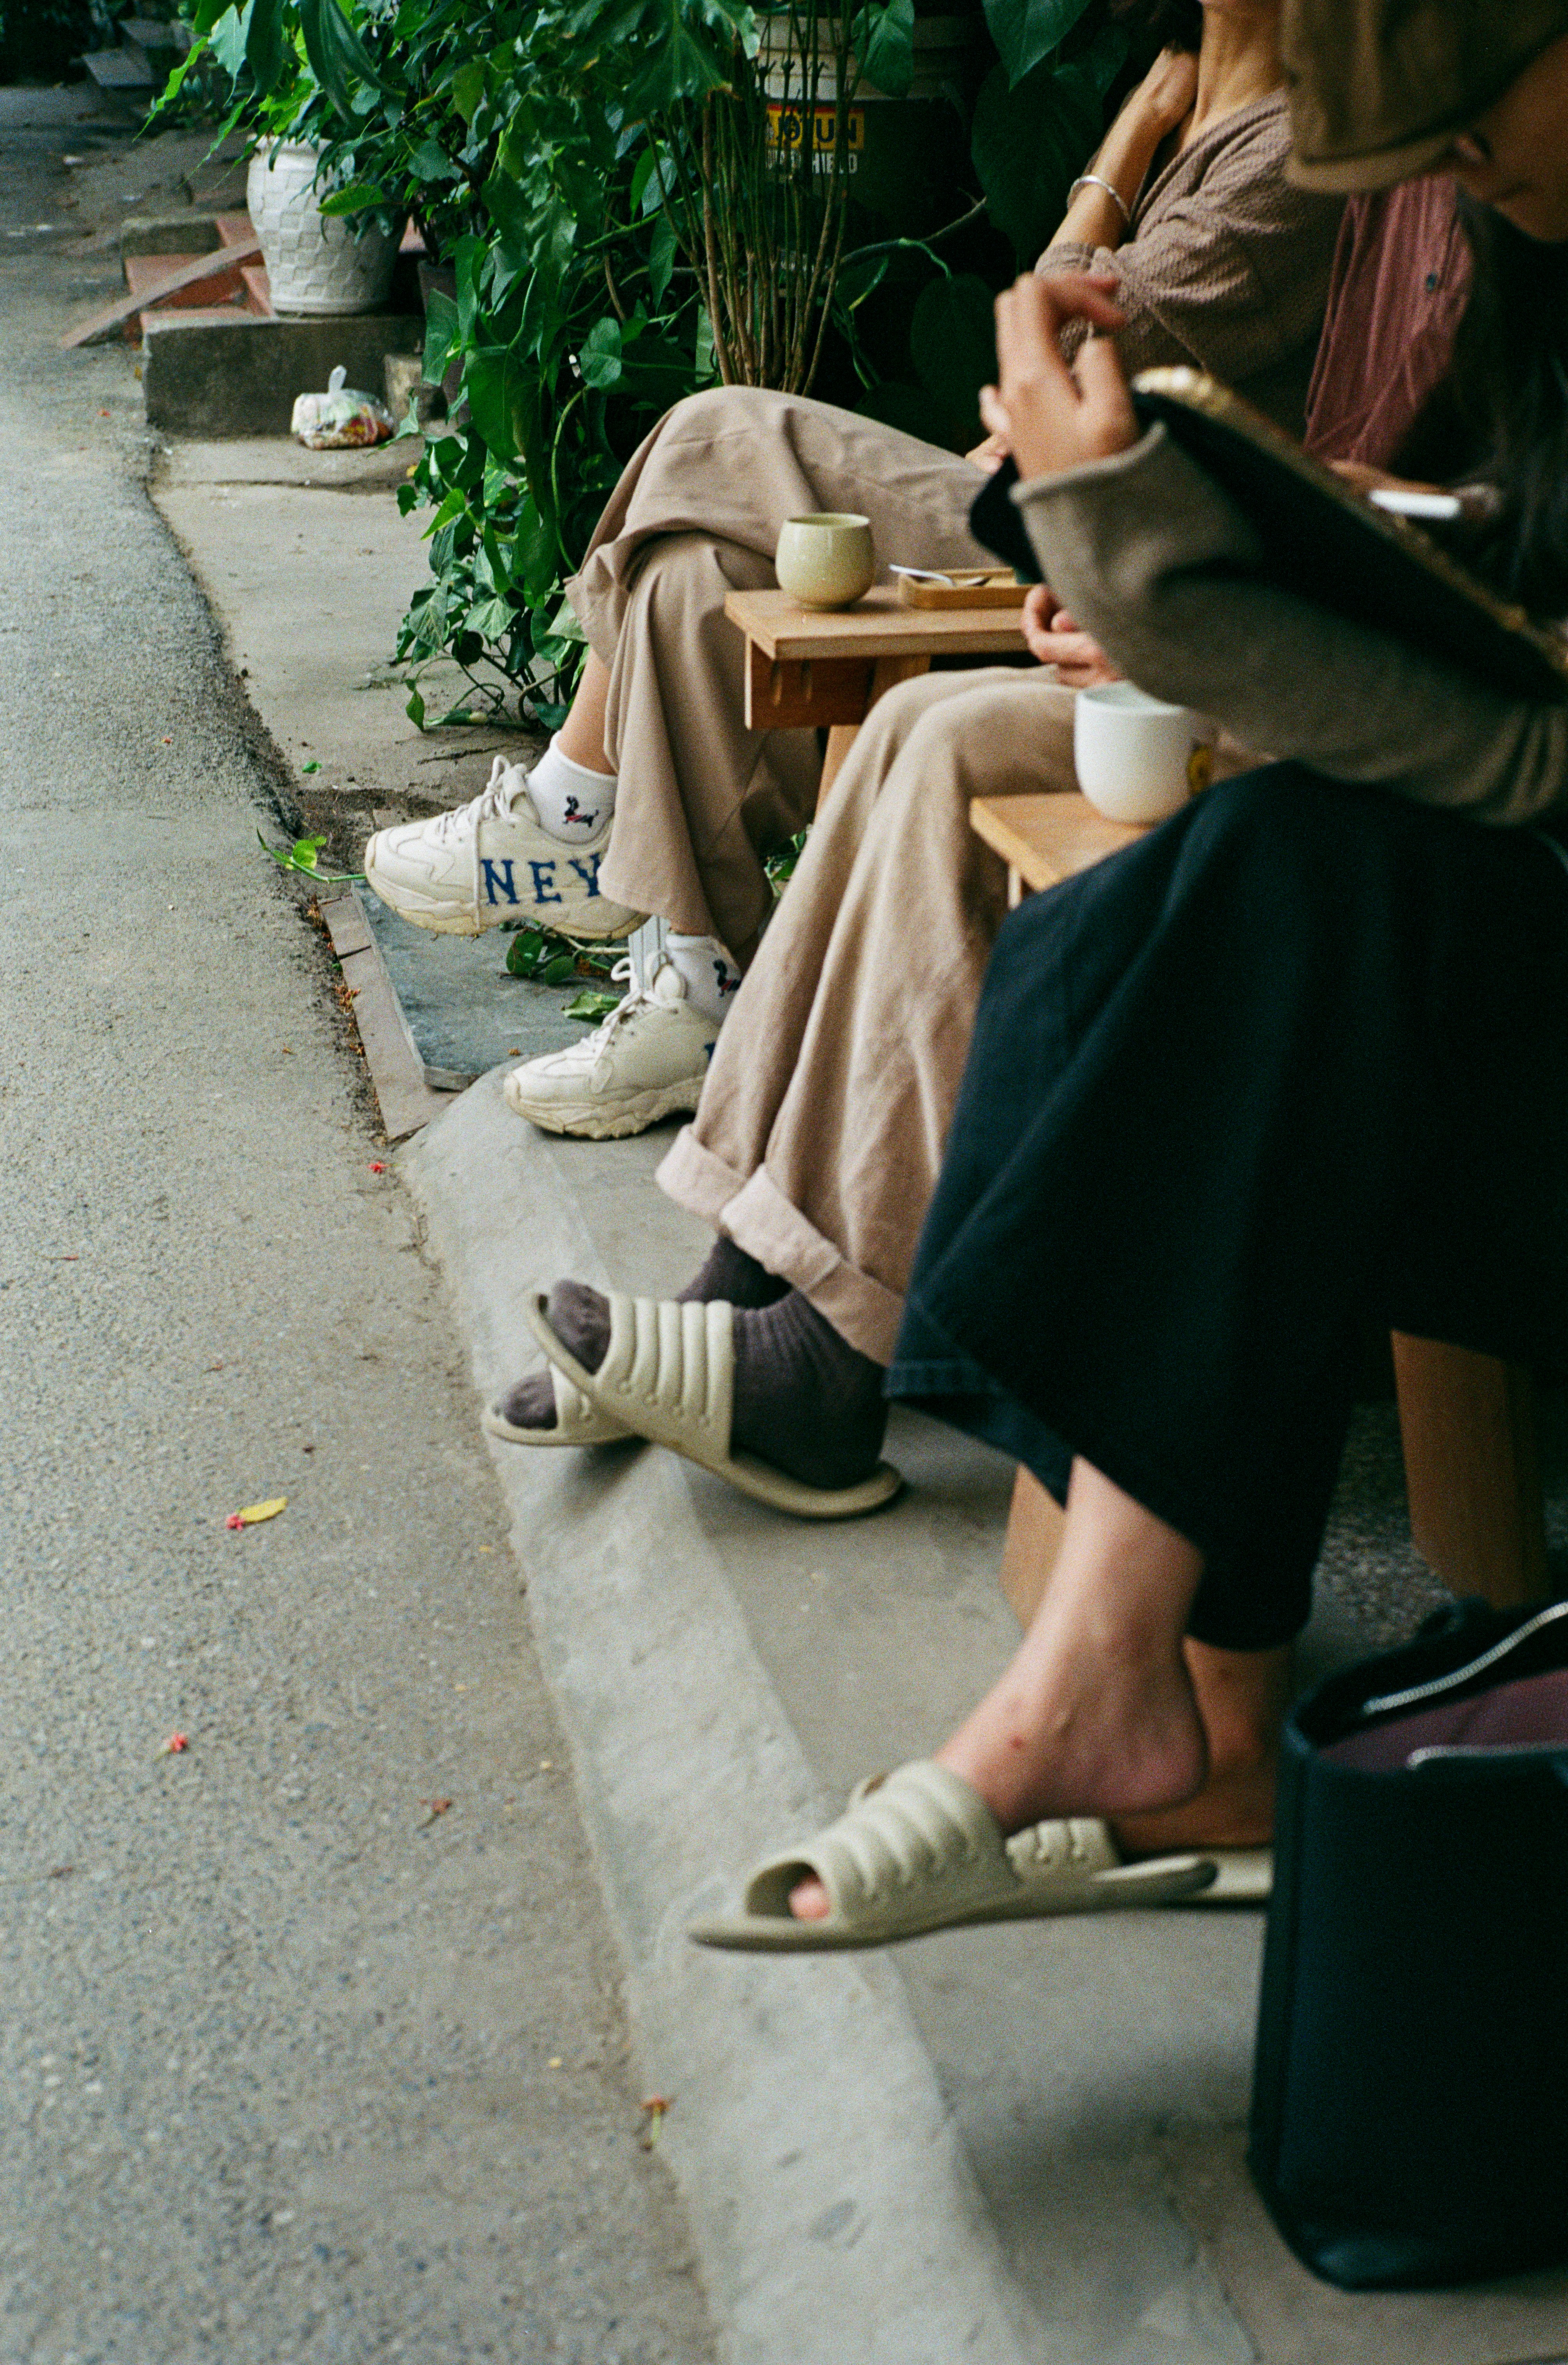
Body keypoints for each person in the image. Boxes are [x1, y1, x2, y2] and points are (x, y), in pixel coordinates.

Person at [532, 0, 1568, 1947]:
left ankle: (1068, 1653)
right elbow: (1505, 596)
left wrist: (1143, 554)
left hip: (1485, 1000)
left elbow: (1533, 752)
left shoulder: (1301, 168)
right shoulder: (1498, 225)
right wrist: (1251, 543)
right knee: (1178, 908)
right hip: (1454, 942)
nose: (1453, 173)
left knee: (1265, 899)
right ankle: (1153, 1698)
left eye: (1471, 116)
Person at [487, 171, 1470, 1486]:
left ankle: (830, 1360)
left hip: (1382, 703)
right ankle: (742, 1280)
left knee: (803, 550)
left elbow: (1099, 376)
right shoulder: (1371, 156)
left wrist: (1177, 573)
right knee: (899, 720)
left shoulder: (1315, 147)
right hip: (1284, 624)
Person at [364, 0, 1343, 1139]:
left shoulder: (1289, 146)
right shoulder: (1210, 105)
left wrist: (1123, 143)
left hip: (1108, 542)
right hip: (1055, 498)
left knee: (717, 432)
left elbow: (1069, 348)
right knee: (686, 577)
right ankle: (695, 990)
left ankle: (571, 806)